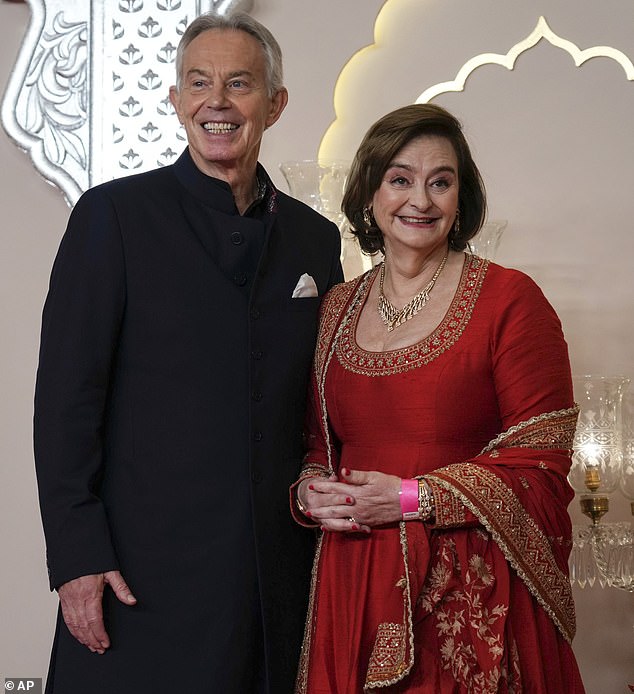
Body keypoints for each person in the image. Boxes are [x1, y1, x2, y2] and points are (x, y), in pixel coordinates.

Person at [33, 11, 343, 694]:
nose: (218, 103)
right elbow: (64, 402)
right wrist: (77, 557)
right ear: (176, 101)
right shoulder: (111, 217)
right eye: (198, 83)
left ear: (275, 103)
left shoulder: (314, 241)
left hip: (271, 579)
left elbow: (324, 401)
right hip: (138, 576)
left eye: (239, 84)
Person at [291, 103, 585, 693]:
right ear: (370, 193)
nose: (420, 200)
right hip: (354, 577)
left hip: (469, 589)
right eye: (400, 179)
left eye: (440, 182)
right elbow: (317, 445)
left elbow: (542, 463)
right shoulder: (337, 309)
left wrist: (410, 497)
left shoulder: (510, 301)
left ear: (461, 197)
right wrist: (309, 491)